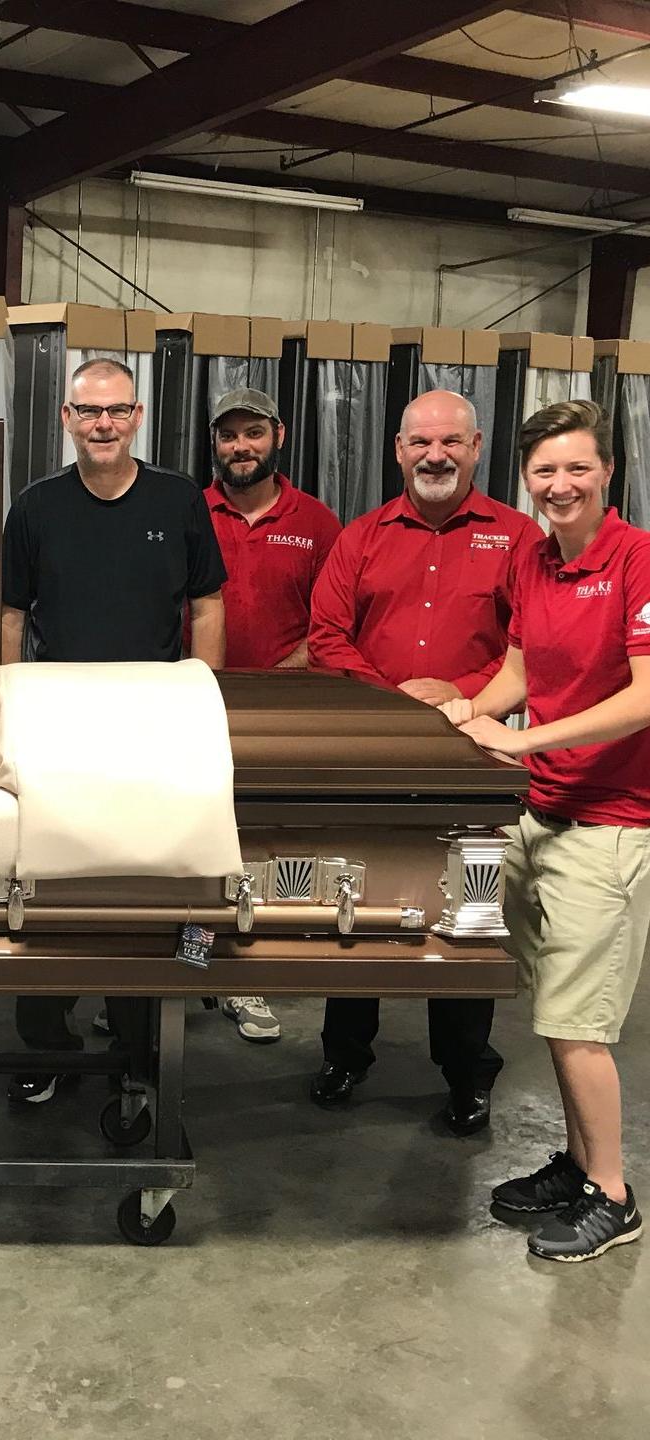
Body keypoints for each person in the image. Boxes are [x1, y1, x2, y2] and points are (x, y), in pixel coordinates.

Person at [443, 399, 648, 1262]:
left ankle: (614, 1195)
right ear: (525, 477)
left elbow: (645, 696)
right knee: (554, 1012)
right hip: (542, 811)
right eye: (545, 471)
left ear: (607, 472)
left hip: (611, 824)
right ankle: (576, 1165)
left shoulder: (637, 559)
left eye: (577, 468)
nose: (561, 485)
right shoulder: (534, 557)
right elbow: (519, 670)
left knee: (579, 1025)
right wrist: (466, 711)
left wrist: (523, 740)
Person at [307, 389, 541, 1135]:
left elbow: (533, 643)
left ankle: (467, 1071)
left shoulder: (518, 538)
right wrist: (397, 699)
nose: (434, 456)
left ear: (476, 448)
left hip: (473, 756)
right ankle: (346, 1054)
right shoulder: (362, 537)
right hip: (374, 754)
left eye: (450, 442)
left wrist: (463, 698)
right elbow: (326, 635)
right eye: (420, 443)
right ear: (399, 451)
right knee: (358, 898)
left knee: (468, 912)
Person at [0, 357, 227, 1102]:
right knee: (49, 889)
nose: (104, 424)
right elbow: (11, 616)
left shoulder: (178, 499)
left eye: (118, 410)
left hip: (156, 728)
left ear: (138, 417)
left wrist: (202, 700)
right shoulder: (35, 507)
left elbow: (208, 604)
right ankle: (48, 1046)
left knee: (149, 896)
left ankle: (137, 1052)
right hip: (59, 730)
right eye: (89, 411)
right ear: (67, 419)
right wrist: (11, 709)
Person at [200, 387, 343, 1044]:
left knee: (255, 844)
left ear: (278, 436)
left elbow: (332, 626)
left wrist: (275, 680)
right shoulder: (188, 511)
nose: (241, 447)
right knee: (194, 842)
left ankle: (242, 974)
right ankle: (187, 966)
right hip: (193, 711)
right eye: (229, 434)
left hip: (280, 716)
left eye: (252, 433)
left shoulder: (317, 522)